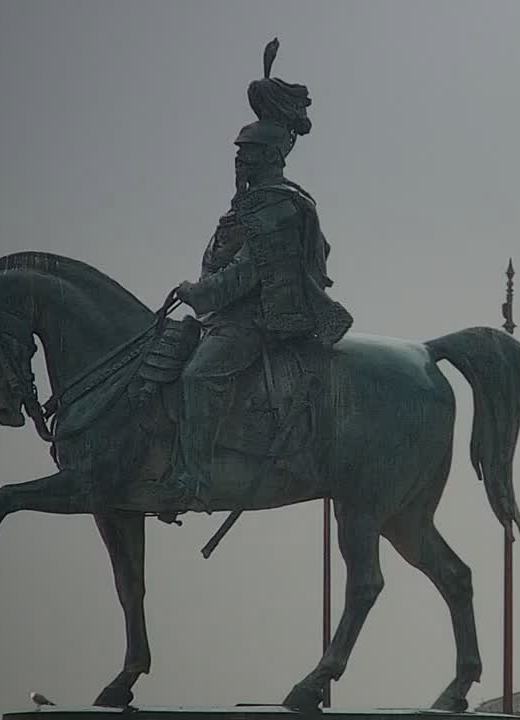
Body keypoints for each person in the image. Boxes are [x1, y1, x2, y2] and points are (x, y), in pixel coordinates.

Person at [168, 40, 352, 507]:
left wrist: (198, 292)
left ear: (266, 158)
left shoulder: (276, 204)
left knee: (197, 378)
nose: (238, 163)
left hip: (257, 321)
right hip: (224, 319)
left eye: (245, 156)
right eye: (238, 155)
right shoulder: (252, 203)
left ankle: (191, 476)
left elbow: (247, 273)